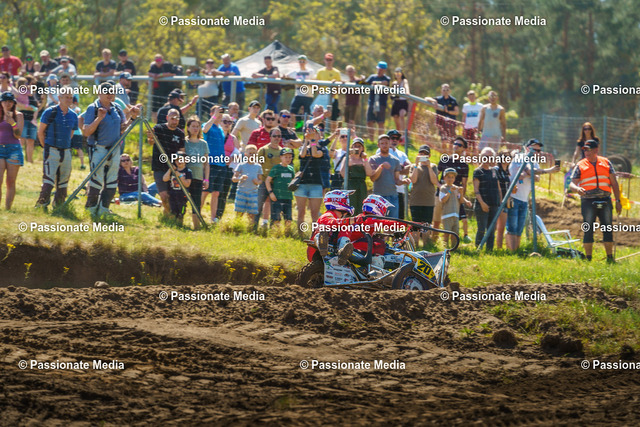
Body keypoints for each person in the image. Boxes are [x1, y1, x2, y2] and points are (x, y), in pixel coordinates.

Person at [83, 82, 136, 215]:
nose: (110, 94)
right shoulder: (93, 108)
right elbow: (86, 131)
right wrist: (99, 118)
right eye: (106, 92)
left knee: (112, 180)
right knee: (96, 179)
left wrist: (132, 118)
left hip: (115, 149)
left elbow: (122, 128)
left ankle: (104, 209)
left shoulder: (117, 107)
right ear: (99, 93)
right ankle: (91, 209)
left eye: (112, 92)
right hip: (98, 148)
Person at [569, 139, 622, 263]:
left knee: (607, 228)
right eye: (585, 150)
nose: (586, 152)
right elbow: (572, 184)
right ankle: (588, 259)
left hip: (605, 200)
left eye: (589, 150)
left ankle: (610, 258)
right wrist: (577, 189)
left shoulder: (606, 162)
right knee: (588, 229)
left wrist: (618, 201)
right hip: (588, 201)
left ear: (596, 150)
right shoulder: (580, 165)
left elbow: (614, 183)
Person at [506, 139, 560, 252]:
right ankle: (511, 251)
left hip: (524, 199)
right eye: (534, 150)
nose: (537, 153)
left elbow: (537, 177)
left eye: (539, 151)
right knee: (512, 227)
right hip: (513, 197)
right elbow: (531, 171)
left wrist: (527, 174)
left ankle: (516, 251)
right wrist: (547, 170)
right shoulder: (520, 157)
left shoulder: (534, 162)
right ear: (527, 149)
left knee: (519, 228)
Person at [35, 89, 78, 209]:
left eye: (70, 97)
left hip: (66, 150)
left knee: (64, 179)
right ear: (59, 97)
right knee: (49, 178)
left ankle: (59, 206)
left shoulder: (73, 115)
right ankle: (42, 204)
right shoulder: (50, 112)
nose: (69, 100)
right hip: (51, 149)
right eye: (66, 97)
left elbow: (71, 134)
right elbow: (41, 132)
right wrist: (47, 147)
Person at [148, 108, 185, 217]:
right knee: (164, 196)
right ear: (167, 118)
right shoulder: (158, 128)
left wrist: (179, 164)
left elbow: (182, 151)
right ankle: (169, 215)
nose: (175, 121)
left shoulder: (180, 133)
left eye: (177, 118)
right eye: (172, 118)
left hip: (174, 168)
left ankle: (169, 215)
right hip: (159, 167)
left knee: (172, 196)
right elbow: (151, 142)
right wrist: (150, 137)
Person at [435, 136, 471, 243]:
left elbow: (464, 184)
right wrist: (441, 187)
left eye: (459, 145)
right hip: (441, 194)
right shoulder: (445, 159)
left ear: (464, 149)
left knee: (453, 220)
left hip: (455, 196)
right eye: (455, 144)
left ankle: (452, 245)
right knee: (436, 220)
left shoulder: (464, 165)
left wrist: (461, 198)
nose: (456, 146)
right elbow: (435, 175)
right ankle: (433, 243)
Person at [369, 134, 410, 218]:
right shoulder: (373, 159)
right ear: (378, 145)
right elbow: (373, 178)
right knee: (377, 223)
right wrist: (381, 167)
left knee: (392, 223)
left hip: (393, 196)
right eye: (382, 143)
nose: (384, 145)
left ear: (389, 144)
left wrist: (404, 181)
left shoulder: (395, 160)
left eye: (386, 143)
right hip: (378, 197)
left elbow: (396, 180)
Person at [295, 126, 325, 229]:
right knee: (301, 212)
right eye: (310, 132)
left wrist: (312, 141)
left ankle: (315, 234)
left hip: (316, 184)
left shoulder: (322, 149)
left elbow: (315, 154)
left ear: (319, 136)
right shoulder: (303, 147)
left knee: (314, 214)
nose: (313, 134)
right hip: (302, 184)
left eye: (315, 132)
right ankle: (300, 233)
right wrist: (306, 140)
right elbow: (302, 155)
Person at [409, 145, 440, 246]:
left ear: (429, 156)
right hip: (415, 201)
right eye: (421, 153)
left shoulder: (433, 166)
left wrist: (429, 167)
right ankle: (415, 245)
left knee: (426, 225)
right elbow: (413, 180)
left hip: (428, 202)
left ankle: (426, 246)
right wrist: (416, 164)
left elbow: (434, 181)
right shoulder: (413, 166)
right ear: (418, 154)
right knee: (415, 225)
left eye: (425, 154)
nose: (423, 156)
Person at [473, 148, 502, 250]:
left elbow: (499, 188)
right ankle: (478, 249)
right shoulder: (477, 171)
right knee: (481, 229)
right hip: (482, 205)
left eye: (490, 157)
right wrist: (482, 203)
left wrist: (500, 203)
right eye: (485, 156)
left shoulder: (494, 171)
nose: (487, 159)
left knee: (491, 230)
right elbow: (476, 189)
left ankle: (489, 251)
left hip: (494, 204)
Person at [201, 105, 226, 224]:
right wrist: (214, 116)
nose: (220, 115)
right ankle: (197, 213)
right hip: (210, 164)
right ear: (212, 113)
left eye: (221, 113)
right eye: (217, 112)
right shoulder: (208, 125)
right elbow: (204, 130)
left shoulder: (220, 128)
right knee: (205, 191)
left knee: (216, 193)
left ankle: (213, 218)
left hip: (221, 165)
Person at [185, 116, 210, 229]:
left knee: (196, 203)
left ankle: (196, 227)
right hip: (185, 177)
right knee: (182, 200)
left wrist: (206, 179)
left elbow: (206, 164)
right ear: (188, 128)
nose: (195, 128)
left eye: (197, 126)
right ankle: (178, 221)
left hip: (198, 177)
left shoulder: (203, 143)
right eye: (193, 126)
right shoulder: (184, 142)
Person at [0, 91, 24, 209]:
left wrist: (12, 123)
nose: (7, 104)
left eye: (10, 101)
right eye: (5, 101)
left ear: (14, 103)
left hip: (14, 149)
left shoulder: (18, 115)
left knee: (10, 181)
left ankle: (8, 208)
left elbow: (18, 135)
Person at [256, 127, 283, 227]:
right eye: (274, 136)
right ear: (270, 137)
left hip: (277, 184)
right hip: (263, 182)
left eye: (279, 136)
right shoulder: (263, 150)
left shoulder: (282, 151)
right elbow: (257, 165)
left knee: (276, 208)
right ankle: (253, 227)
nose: (277, 138)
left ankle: (274, 230)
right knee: (258, 206)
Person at [440, 168, 472, 247]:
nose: (450, 179)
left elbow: (461, 201)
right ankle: (445, 248)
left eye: (452, 177)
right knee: (446, 233)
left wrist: (461, 193)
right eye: (448, 177)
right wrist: (450, 191)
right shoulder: (443, 188)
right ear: (444, 178)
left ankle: (454, 248)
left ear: (454, 178)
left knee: (455, 234)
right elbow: (443, 200)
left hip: (455, 214)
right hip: (446, 215)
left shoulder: (457, 188)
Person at [341, 137, 373, 214]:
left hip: (361, 186)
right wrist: (348, 157)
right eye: (355, 146)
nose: (357, 148)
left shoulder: (364, 160)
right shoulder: (347, 158)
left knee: (361, 207)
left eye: (359, 146)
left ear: (362, 148)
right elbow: (343, 174)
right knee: (350, 206)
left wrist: (365, 159)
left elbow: (369, 173)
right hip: (350, 185)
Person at [383, 129, 411, 219]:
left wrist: (395, 168)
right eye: (392, 138)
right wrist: (400, 167)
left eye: (397, 138)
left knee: (400, 220)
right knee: (386, 220)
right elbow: (386, 169)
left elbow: (409, 168)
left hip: (399, 190)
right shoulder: (382, 151)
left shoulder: (402, 154)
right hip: (386, 191)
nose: (395, 140)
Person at [233, 144, 262, 222]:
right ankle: (237, 225)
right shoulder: (241, 165)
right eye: (250, 153)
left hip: (253, 193)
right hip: (241, 192)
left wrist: (257, 182)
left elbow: (260, 180)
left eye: (254, 153)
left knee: (252, 213)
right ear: (245, 154)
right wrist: (240, 178)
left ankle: (251, 227)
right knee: (239, 212)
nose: (252, 155)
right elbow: (234, 179)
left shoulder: (258, 166)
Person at [266, 147, 295, 225]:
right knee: (276, 219)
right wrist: (270, 192)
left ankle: (287, 232)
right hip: (277, 197)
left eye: (290, 157)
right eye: (286, 157)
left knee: (288, 219)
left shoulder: (291, 169)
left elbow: (293, 181)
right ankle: (275, 231)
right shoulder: (276, 168)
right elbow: (267, 180)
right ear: (281, 157)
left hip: (288, 197)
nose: (288, 159)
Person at [217, 113, 239, 217]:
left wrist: (231, 159)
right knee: (216, 192)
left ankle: (219, 215)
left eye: (229, 122)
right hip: (216, 166)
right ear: (220, 122)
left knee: (224, 192)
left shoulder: (233, 138)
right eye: (224, 121)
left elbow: (238, 154)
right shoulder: (216, 136)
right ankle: (213, 214)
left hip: (228, 168)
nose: (227, 124)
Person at [425, 83, 459, 148]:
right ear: (441, 91)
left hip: (451, 124)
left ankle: (451, 154)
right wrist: (434, 101)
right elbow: (426, 98)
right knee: (444, 141)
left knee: (451, 142)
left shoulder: (453, 100)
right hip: (442, 124)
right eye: (444, 90)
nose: (445, 91)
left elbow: (457, 112)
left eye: (447, 90)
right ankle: (444, 154)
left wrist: (448, 111)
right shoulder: (438, 99)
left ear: (449, 91)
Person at [163, 151, 192, 225]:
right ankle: (173, 223)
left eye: (181, 159)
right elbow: (165, 179)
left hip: (182, 195)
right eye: (177, 160)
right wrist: (170, 170)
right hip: (172, 194)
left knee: (181, 210)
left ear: (186, 161)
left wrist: (180, 176)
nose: (179, 161)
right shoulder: (173, 171)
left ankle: (180, 223)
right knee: (173, 210)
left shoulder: (188, 171)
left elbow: (187, 184)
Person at [365, 61, 391, 141]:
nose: (379, 71)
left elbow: (385, 83)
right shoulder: (372, 77)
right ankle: (371, 140)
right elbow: (366, 83)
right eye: (378, 69)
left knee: (380, 122)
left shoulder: (386, 78)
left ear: (384, 70)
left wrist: (375, 83)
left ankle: (381, 140)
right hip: (371, 102)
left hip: (381, 103)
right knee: (369, 121)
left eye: (381, 70)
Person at [15, 78, 38, 164]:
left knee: (31, 140)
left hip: (32, 120)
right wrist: (26, 107)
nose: (28, 85)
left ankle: (29, 160)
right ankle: (19, 158)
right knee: (22, 140)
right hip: (23, 118)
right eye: (26, 83)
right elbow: (17, 104)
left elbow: (37, 105)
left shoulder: (31, 93)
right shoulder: (18, 93)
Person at [316, 53, 342, 130]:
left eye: (330, 60)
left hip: (333, 98)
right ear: (324, 60)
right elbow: (317, 84)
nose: (328, 61)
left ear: (333, 61)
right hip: (322, 97)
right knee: (321, 115)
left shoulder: (337, 72)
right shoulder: (320, 71)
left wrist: (333, 94)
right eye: (327, 59)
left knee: (334, 117)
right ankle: (320, 132)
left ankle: (333, 134)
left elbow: (339, 86)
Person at [287, 55, 315, 122]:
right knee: (292, 112)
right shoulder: (295, 71)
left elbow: (313, 82)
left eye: (303, 61)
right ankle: (292, 127)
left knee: (307, 114)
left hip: (308, 95)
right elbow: (286, 76)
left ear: (306, 62)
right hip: (298, 95)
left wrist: (304, 83)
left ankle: (307, 126)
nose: (302, 63)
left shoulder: (310, 71)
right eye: (300, 61)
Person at [148, 54, 176, 120]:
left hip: (168, 91)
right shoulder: (153, 66)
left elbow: (173, 73)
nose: (158, 61)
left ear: (163, 60)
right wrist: (154, 75)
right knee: (155, 109)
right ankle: (155, 123)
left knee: (167, 107)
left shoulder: (167, 65)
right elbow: (149, 73)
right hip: (157, 91)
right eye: (156, 60)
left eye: (159, 59)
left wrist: (160, 75)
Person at [494, 150, 511, 249]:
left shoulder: (507, 171)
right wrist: (500, 201)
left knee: (501, 228)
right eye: (504, 156)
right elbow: (497, 187)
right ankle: (490, 247)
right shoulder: (496, 170)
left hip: (505, 202)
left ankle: (499, 249)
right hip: (497, 202)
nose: (507, 158)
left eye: (508, 156)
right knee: (494, 227)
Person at [391, 67, 410, 135]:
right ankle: (398, 135)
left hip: (403, 102)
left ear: (402, 73)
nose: (397, 74)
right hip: (396, 102)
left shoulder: (404, 81)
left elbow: (406, 87)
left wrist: (407, 92)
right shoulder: (394, 83)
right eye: (396, 73)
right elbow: (392, 93)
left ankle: (404, 135)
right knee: (396, 118)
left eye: (399, 72)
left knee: (402, 115)